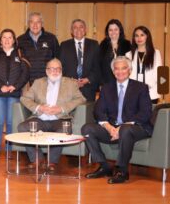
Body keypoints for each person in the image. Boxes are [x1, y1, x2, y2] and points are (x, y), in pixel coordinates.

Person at [81, 56, 152, 184]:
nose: (120, 72)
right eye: (116, 69)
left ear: (129, 70)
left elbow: (145, 113)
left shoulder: (141, 88)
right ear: (113, 72)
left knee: (125, 129)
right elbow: (98, 111)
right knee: (87, 129)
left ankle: (122, 170)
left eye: (124, 68)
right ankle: (104, 166)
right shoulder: (107, 88)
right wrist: (109, 127)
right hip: (113, 128)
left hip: (137, 128)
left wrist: (121, 127)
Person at [17, 58, 86, 171]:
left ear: (61, 70)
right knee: (23, 127)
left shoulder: (70, 83)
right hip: (41, 118)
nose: (55, 71)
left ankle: (51, 161)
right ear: (47, 71)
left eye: (58, 69)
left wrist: (62, 108)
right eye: (52, 69)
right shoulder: (38, 82)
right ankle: (37, 159)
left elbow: (81, 99)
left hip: (61, 119)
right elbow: (24, 98)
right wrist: (40, 108)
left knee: (64, 130)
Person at [0, 29, 29, 159]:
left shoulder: (20, 54)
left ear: (14, 40)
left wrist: (15, 86)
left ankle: (10, 148)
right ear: (0, 40)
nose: (7, 40)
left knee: (11, 121)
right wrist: (1, 86)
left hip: (14, 93)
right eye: (4, 37)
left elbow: (25, 73)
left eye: (10, 37)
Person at [59, 19, 100, 101]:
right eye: (75, 27)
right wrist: (70, 81)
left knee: (86, 113)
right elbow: (60, 68)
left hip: (88, 88)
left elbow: (97, 67)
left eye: (81, 27)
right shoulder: (64, 45)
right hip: (69, 88)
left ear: (85, 30)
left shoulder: (94, 45)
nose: (78, 29)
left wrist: (88, 79)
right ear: (71, 31)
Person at [17, 12, 60, 84]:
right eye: (32, 22)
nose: (35, 25)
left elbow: (58, 59)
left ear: (42, 24)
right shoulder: (20, 40)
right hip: (27, 82)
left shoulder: (51, 38)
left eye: (38, 22)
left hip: (48, 80)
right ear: (28, 24)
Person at [125, 26, 162, 104]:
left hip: (151, 93)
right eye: (136, 35)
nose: (139, 38)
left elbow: (158, 73)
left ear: (147, 37)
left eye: (142, 35)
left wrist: (146, 87)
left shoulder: (156, 53)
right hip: (133, 93)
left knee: (150, 116)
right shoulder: (128, 55)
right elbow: (127, 74)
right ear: (134, 38)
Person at [99, 19, 131, 84]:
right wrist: (101, 83)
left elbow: (130, 64)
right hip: (107, 82)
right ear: (107, 32)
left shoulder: (127, 44)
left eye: (116, 29)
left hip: (124, 81)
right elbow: (99, 66)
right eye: (110, 30)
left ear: (120, 31)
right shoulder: (103, 44)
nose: (113, 32)